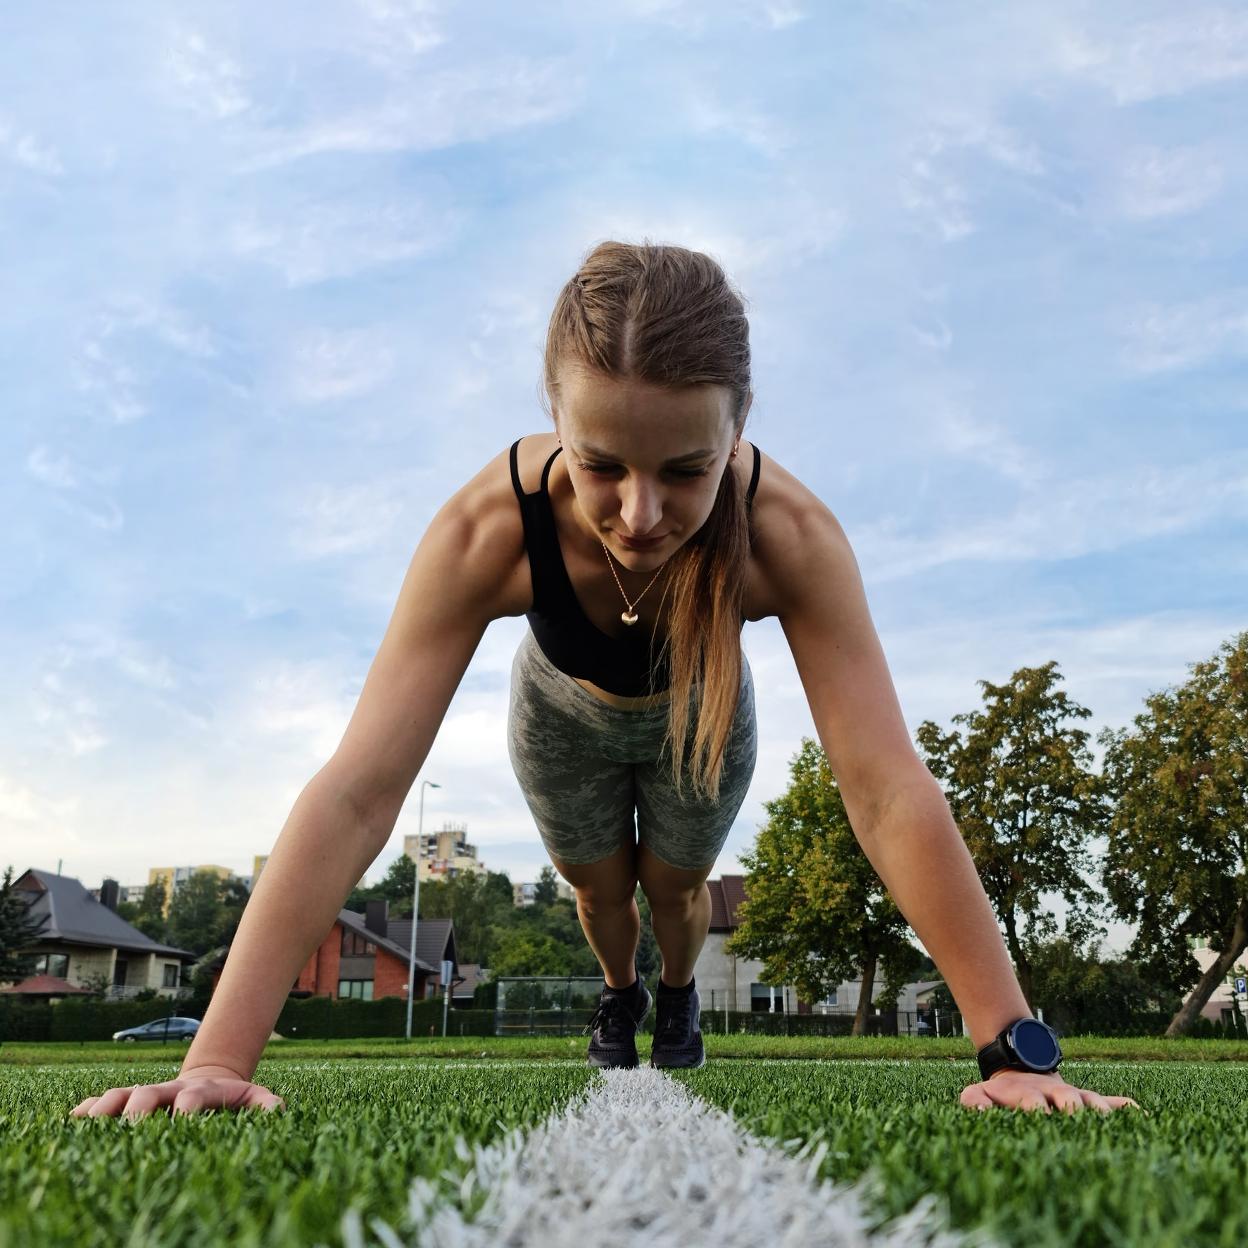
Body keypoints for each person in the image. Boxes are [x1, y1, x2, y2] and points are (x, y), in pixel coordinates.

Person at [71, 240, 1139, 1120]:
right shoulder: (488, 530)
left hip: (702, 706)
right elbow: (359, 789)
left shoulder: (789, 538)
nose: (639, 515)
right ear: (556, 417)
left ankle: (676, 997)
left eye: (686, 470)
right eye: (600, 466)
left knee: (674, 890)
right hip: (560, 711)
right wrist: (216, 1060)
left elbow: (886, 789)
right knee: (598, 890)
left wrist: (1013, 1049)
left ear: (736, 431)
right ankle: (619, 994)